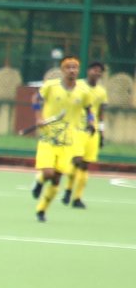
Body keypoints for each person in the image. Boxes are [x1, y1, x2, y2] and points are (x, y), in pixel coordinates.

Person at [31, 57, 92, 222]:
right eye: (68, 67)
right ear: (63, 70)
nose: (72, 70)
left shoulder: (83, 91)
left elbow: (89, 109)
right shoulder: (51, 86)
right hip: (49, 137)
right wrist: (38, 118)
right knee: (48, 172)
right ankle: (40, 180)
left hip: (67, 141)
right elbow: (36, 98)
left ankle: (41, 210)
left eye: (75, 68)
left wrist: (91, 122)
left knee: (56, 179)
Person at [62, 61, 108, 209]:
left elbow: (101, 114)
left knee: (85, 165)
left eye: (99, 71)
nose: (96, 73)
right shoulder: (78, 85)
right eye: (94, 69)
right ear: (88, 71)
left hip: (92, 131)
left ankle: (77, 198)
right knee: (76, 160)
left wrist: (101, 133)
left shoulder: (101, 92)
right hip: (77, 128)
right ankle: (68, 189)